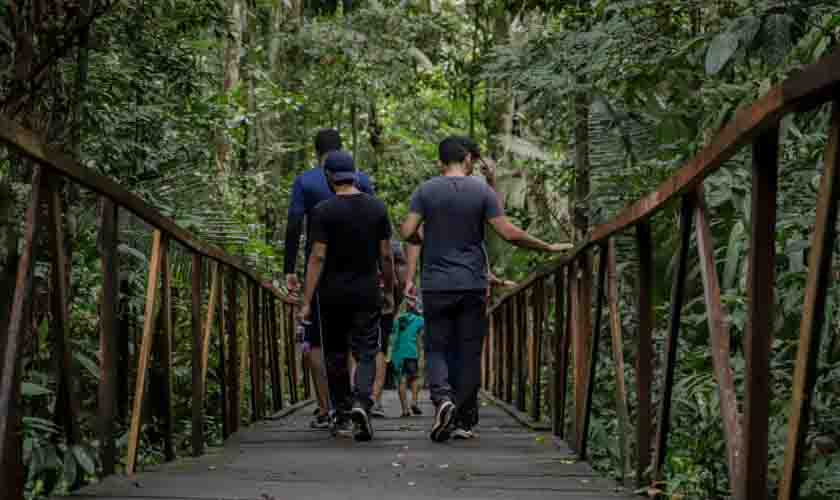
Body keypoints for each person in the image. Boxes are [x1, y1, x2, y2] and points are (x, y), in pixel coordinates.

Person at [401, 136, 566, 443]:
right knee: (468, 351)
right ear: (468, 161)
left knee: (436, 346)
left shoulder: (425, 191)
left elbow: (408, 231)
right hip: (473, 284)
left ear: (440, 162)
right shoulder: (481, 191)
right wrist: (547, 246)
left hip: (436, 284)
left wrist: (426, 246)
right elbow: (507, 231)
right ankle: (464, 421)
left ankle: (442, 399)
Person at [298, 151, 395, 441]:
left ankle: (341, 415)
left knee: (335, 353)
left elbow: (317, 256)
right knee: (365, 350)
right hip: (366, 292)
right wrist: (389, 289)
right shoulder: (376, 208)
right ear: (354, 174)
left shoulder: (323, 211)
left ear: (329, 177)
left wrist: (306, 301)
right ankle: (362, 402)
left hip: (331, 295)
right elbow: (386, 255)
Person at [284, 129, 375, 429]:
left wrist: (290, 270)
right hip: (361, 276)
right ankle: (354, 402)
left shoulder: (306, 181)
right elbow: (374, 223)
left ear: (316, 153)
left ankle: (329, 408)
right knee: (354, 345)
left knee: (321, 345)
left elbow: (295, 222)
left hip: (323, 277)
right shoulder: (361, 181)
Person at [370, 240, 407, 418]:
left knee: (358, 346)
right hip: (383, 300)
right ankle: (374, 399)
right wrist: (394, 300)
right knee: (380, 348)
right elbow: (401, 279)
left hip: (358, 297)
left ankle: (360, 397)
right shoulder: (392, 247)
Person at [390, 299, 424, 418]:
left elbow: (392, 336)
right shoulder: (418, 320)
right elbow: (423, 333)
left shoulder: (397, 320)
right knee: (414, 378)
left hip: (398, 355)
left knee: (402, 381)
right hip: (411, 353)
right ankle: (414, 401)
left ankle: (405, 410)